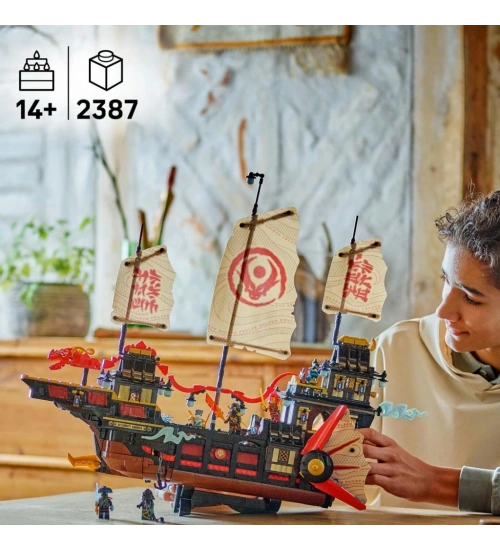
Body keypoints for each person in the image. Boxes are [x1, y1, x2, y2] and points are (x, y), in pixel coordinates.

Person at [363, 190, 500, 512]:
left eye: (471, 298)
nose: (443, 311)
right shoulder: (396, 348)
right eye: (446, 280)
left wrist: (432, 482)